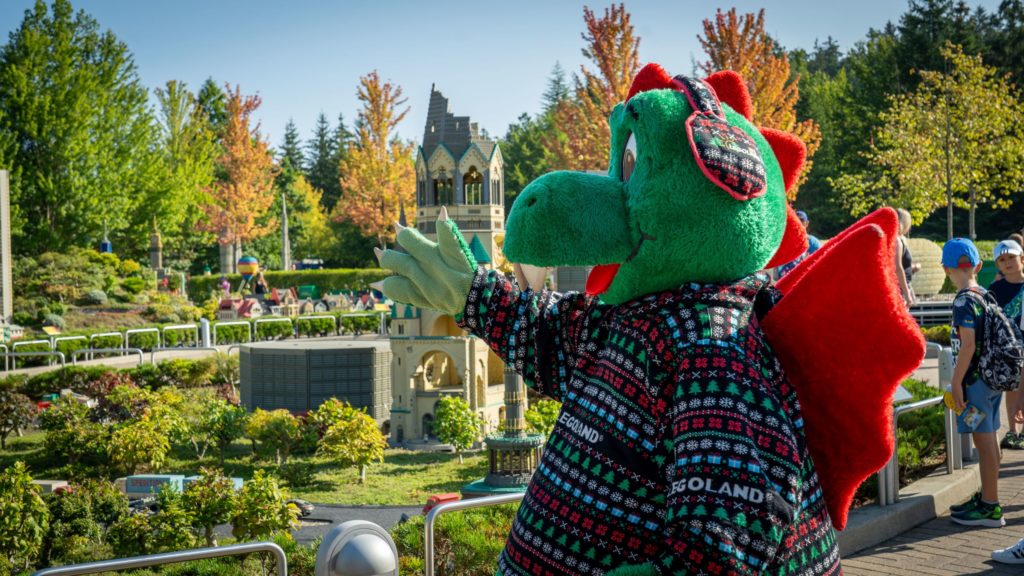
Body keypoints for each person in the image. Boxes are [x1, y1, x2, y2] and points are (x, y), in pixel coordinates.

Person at [944, 238, 1005, 527]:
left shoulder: (963, 301)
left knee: (983, 441)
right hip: (992, 379)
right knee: (990, 439)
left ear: (946, 269)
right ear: (979, 266)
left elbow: (967, 345)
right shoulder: (985, 295)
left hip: (975, 382)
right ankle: (987, 496)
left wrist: (956, 382)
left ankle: (990, 507)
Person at [989, 239, 1024, 450]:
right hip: (1008, 349)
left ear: (1022, 259)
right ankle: (1013, 431)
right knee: (1012, 389)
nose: (1007, 262)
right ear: (997, 265)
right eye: (1002, 260)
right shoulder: (995, 289)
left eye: (1011, 257)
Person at [774, 210, 822, 279]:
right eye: (796, 221)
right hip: (786, 282)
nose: (799, 223)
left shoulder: (814, 243)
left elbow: (821, 267)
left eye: (801, 221)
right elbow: (776, 276)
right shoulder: (784, 243)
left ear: (807, 223)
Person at [894, 208, 920, 307]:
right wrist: (907, 294)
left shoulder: (900, 239)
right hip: (900, 289)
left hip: (903, 286)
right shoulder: (897, 241)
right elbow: (898, 268)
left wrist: (912, 267)